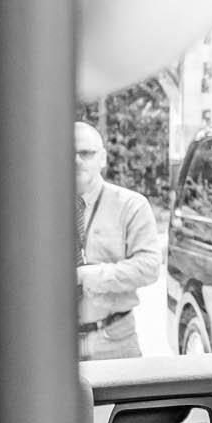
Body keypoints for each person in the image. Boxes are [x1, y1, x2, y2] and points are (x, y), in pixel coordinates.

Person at [74, 121, 162, 360]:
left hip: (113, 341)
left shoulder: (131, 205)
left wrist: (86, 276)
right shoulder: (37, 207)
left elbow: (149, 267)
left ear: (102, 158)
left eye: (86, 153)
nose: (76, 160)